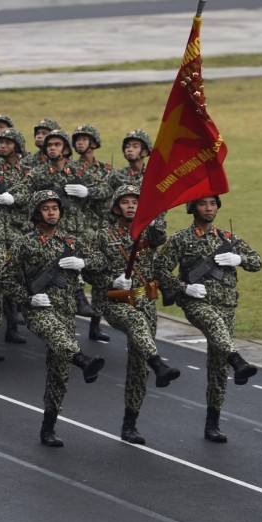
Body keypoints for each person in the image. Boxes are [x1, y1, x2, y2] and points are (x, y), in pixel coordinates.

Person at [3, 190, 106, 447]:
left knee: (59, 372)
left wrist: (81, 262)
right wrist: (27, 298)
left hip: (66, 310)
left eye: (55, 208)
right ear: (37, 213)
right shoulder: (24, 244)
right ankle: (82, 360)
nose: (51, 212)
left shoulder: (70, 242)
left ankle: (49, 426)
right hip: (38, 309)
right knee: (55, 334)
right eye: (46, 208)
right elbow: (5, 278)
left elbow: (101, 261)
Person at [157, 195, 262, 442]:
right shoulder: (181, 239)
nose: (209, 208)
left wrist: (240, 259)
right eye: (203, 204)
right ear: (193, 208)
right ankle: (238, 360)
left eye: (213, 203)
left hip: (226, 305)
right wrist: (183, 288)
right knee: (215, 327)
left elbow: (257, 262)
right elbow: (160, 269)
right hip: (196, 302)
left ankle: (212, 422)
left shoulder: (228, 238)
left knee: (218, 365)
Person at [84, 184, 180, 444]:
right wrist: (109, 280)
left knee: (139, 365)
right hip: (116, 300)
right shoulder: (102, 236)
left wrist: (155, 206)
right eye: (125, 202)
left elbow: (161, 234)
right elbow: (88, 271)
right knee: (136, 325)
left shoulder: (149, 231)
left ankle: (130, 424)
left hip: (145, 301)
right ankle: (158, 362)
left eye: (135, 202)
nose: (130, 206)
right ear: (116, 208)